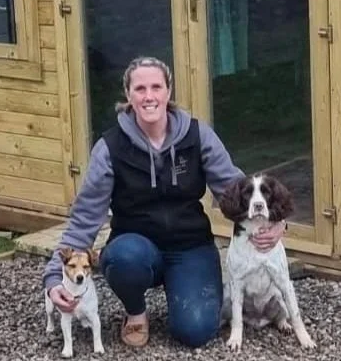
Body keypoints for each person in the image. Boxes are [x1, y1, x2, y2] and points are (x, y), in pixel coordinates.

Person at [42, 56, 285, 349]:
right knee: (121, 258)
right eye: (140, 88)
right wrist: (55, 278)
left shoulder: (197, 135)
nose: (149, 96)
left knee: (195, 332)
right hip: (136, 247)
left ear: (168, 93)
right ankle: (136, 313)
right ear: (128, 96)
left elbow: (235, 190)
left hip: (190, 245)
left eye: (156, 87)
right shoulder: (110, 148)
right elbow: (84, 217)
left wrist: (276, 221)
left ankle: (185, 288)